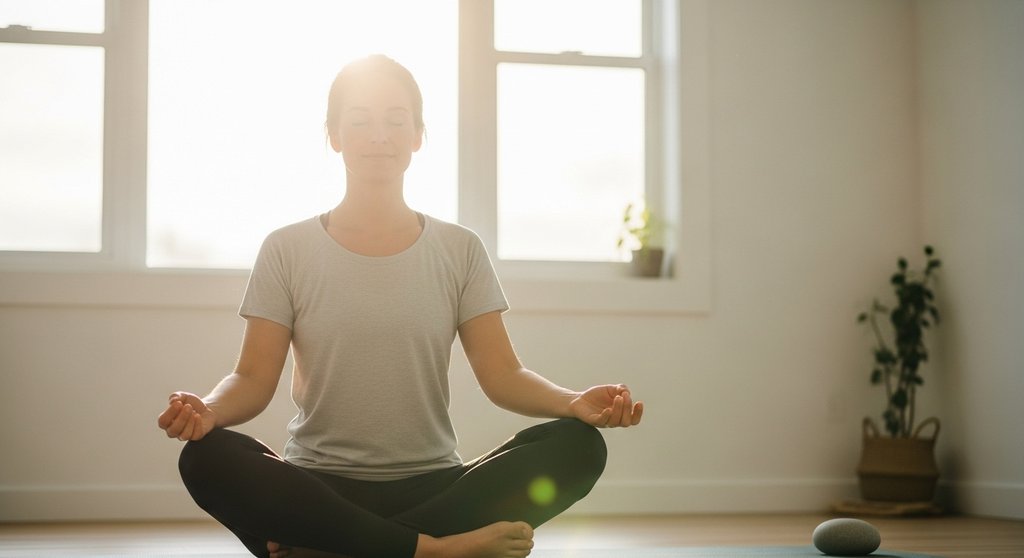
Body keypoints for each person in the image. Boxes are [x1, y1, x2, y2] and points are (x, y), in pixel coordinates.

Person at [157, 54, 644, 558]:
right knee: (206, 458)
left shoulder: (460, 249)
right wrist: (208, 410)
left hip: (432, 486)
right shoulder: (287, 248)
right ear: (334, 135)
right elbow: (253, 380)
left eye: (396, 120)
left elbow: (503, 375)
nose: (379, 135)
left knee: (579, 446)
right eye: (360, 120)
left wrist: (573, 403)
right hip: (317, 487)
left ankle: (332, 548)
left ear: (417, 135)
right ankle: (438, 551)